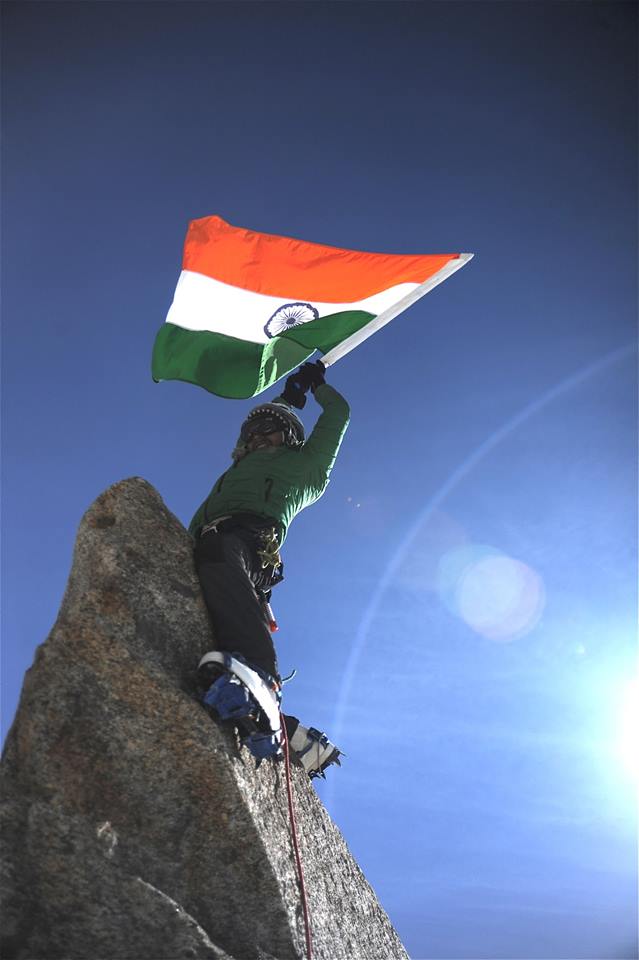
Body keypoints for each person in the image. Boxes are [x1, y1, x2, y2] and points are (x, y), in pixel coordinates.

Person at [190, 361, 350, 775]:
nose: (258, 437)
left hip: (250, 540)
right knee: (214, 559)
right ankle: (284, 729)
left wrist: (317, 389)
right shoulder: (239, 467)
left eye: (269, 431)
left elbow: (338, 416)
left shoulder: (307, 469)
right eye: (251, 433)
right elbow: (269, 417)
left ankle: (262, 679)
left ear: (291, 439)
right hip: (210, 540)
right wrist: (288, 397)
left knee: (220, 550)